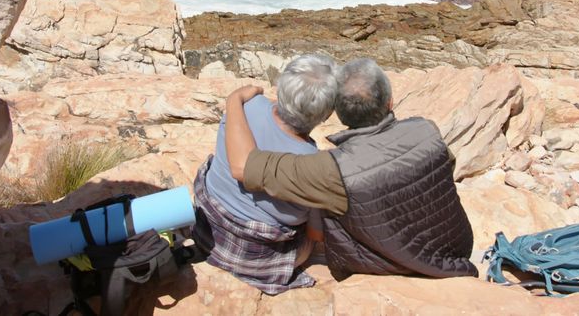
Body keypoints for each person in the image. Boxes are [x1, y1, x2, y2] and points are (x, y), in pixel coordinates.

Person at [224, 58, 478, 281]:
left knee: (319, 206)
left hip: (399, 264)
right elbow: (446, 170)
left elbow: (244, 166)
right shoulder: (426, 129)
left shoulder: (330, 168)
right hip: (459, 247)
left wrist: (234, 100)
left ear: (339, 115)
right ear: (390, 101)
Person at [191, 54, 338, 294]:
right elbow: (311, 231)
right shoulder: (311, 163)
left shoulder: (247, 106)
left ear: (280, 87)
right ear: (326, 114)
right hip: (255, 260)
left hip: (206, 229)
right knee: (312, 229)